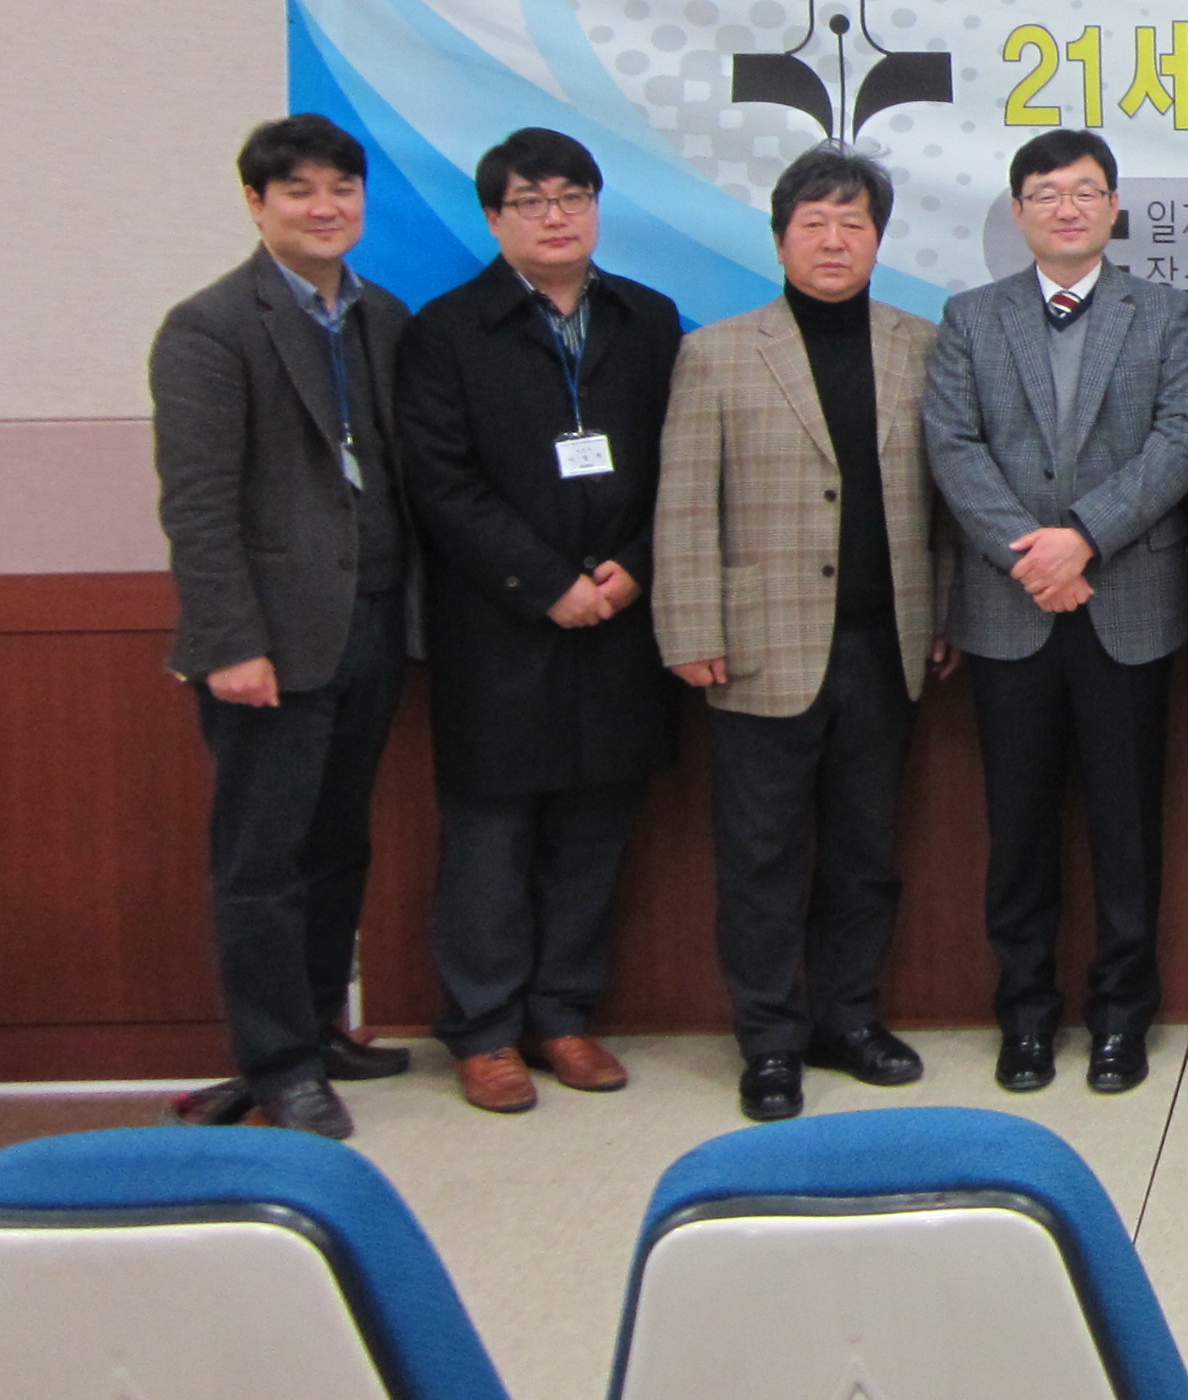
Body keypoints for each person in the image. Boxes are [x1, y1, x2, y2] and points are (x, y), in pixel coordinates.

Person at [395, 128, 682, 1115]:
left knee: (595, 832)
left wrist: (635, 568)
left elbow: (683, 462)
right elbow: (441, 482)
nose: (555, 217)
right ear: (494, 217)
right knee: (490, 840)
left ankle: (562, 1015)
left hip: (621, 618)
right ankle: (483, 1032)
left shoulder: (648, 320)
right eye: (531, 201)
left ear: (597, 207)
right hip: (500, 627)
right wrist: (546, 582)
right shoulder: (446, 331)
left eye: (573, 197)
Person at [656, 147, 947, 1123]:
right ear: (780, 238)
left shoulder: (919, 345)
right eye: (814, 223)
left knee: (867, 851)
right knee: (761, 858)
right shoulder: (718, 352)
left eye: (853, 223)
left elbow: (945, 498)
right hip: (759, 646)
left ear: (878, 238)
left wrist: (942, 611)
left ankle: (848, 1020)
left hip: (886, 642)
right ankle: (770, 1041)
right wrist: (690, 626)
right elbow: (684, 505)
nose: (834, 240)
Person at [925, 127, 1188, 1096]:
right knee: (1018, 831)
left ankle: (1123, 1020)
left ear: (1114, 207)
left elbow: (1181, 441)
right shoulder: (971, 318)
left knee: (1128, 830)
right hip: (1010, 610)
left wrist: (1082, 538)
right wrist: (1033, 554)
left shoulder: (1167, 314)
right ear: (1018, 213)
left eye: (1086, 191)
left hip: (1127, 605)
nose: (1067, 208)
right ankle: (1026, 1018)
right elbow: (954, 446)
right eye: (1046, 194)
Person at [150, 115, 419, 1138]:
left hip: (373, 621)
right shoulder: (211, 327)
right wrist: (231, 643)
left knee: (339, 843)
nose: (325, 207)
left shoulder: (382, 315)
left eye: (342, 188)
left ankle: (318, 1028)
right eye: (299, 190)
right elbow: (198, 505)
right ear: (256, 204)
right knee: (262, 863)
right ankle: (277, 1066)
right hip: (269, 641)